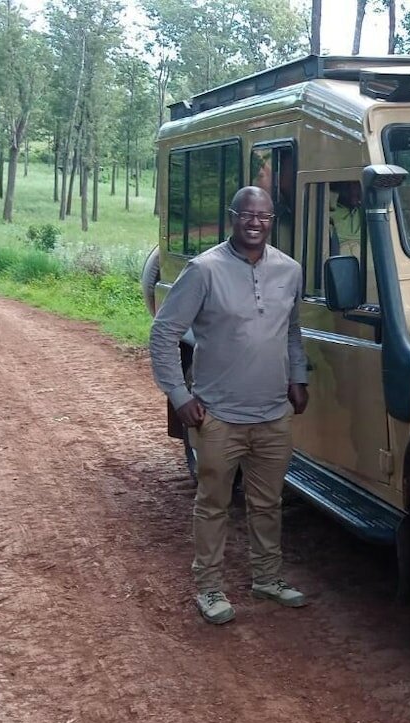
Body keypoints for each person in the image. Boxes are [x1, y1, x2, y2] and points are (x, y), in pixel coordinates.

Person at [149, 186, 310, 625]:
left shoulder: (289, 271)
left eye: (264, 216)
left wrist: (298, 376)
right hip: (218, 416)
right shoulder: (204, 270)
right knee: (214, 503)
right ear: (232, 217)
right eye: (247, 215)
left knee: (268, 503)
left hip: (274, 414)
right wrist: (180, 396)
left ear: (272, 220)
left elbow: (291, 330)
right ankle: (209, 587)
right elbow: (163, 333)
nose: (255, 222)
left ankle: (267, 578)